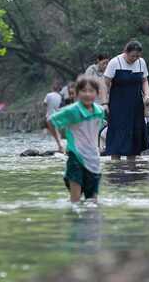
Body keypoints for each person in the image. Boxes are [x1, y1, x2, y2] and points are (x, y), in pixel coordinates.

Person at [49, 75, 105, 203]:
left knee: (93, 202)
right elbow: (51, 121)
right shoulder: (72, 111)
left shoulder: (100, 111)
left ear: (97, 93)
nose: (87, 94)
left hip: (94, 159)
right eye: (83, 91)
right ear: (77, 93)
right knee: (75, 200)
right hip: (76, 158)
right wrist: (59, 143)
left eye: (91, 91)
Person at [103, 40, 149, 161]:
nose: (135, 58)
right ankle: (116, 168)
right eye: (132, 56)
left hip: (136, 104)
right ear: (125, 52)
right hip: (118, 104)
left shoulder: (141, 62)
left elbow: (144, 80)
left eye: (137, 56)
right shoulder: (115, 62)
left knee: (134, 138)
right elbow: (105, 84)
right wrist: (105, 103)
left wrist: (146, 95)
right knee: (118, 137)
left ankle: (132, 169)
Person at [44, 83, 65, 152]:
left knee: (53, 132)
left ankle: (60, 146)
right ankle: (61, 145)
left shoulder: (48, 95)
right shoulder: (60, 96)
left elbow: (45, 103)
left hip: (49, 116)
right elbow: (61, 105)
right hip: (58, 115)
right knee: (57, 131)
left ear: (53, 88)